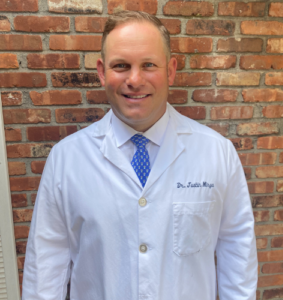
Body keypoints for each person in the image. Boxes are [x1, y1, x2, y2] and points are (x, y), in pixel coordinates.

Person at [22, 10, 258, 300]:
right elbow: (45, 269)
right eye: (121, 65)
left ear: (170, 70)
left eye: (149, 65)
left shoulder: (216, 153)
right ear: (101, 71)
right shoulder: (66, 160)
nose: (134, 79)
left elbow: (238, 250)